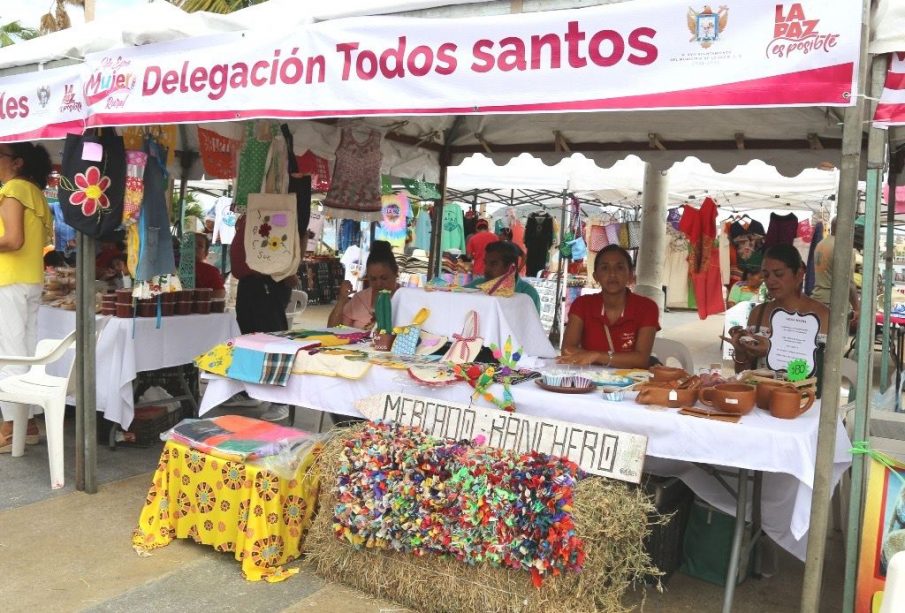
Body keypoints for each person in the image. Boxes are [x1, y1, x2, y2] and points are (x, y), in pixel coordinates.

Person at [0, 142, 53, 452]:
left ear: (17, 162)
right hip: (30, 279)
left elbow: (12, 239)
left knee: (9, 354)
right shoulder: (34, 192)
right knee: (25, 353)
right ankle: (27, 424)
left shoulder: (14, 188)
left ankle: (11, 428)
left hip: (10, 280)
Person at [725, 244, 830, 373]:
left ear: (799, 274)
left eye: (779, 274)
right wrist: (741, 352)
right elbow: (743, 374)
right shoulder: (758, 314)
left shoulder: (823, 316)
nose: (771, 281)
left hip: (804, 392)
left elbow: (820, 374)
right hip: (760, 391)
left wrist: (772, 351)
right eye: (766, 275)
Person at [558, 245, 660, 368]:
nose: (612, 274)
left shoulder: (647, 308)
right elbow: (567, 350)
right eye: (605, 268)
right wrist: (619, 359)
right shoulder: (582, 304)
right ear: (596, 276)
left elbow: (641, 359)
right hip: (589, 381)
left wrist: (596, 356)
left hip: (632, 383)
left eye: (620, 268)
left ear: (630, 275)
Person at [329, 240, 399, 329]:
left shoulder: (405, 298)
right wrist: (342, 300)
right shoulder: (360, 299)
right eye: (373, 279)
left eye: (384, 278)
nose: (379, 283)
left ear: (396, 273)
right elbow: (333, 329)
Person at [465, 241, 541, 313]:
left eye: (493, 264)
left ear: (512, 267)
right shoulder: (475, 286)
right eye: (486, 263)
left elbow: (529, 325)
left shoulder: (528, 294)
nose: (486, 269)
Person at [810, 217, 860, 324]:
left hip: (817, 300)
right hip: (834, 305)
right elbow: (849, 283)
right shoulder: (843, 248)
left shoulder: (821, 244)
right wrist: (857, 308)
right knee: (835, 340)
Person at [193, 232, 226, 300]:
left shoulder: (210, 271)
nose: (195, 247)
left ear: (206, 253)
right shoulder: (174, 268)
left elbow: (220, 293)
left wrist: (197, 296)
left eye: (200, 245)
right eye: (191, 244)